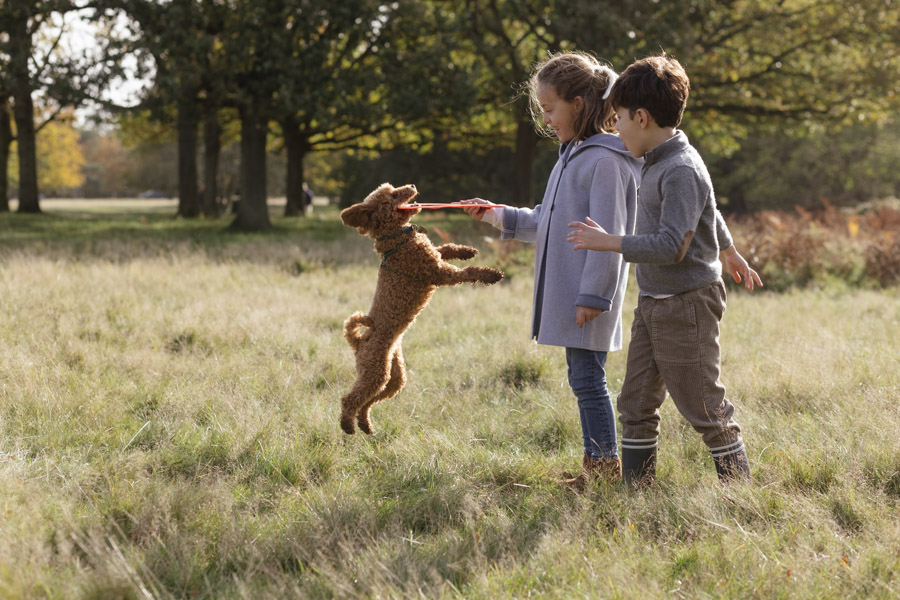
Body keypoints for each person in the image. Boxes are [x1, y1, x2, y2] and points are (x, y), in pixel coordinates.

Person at [567, 54, 763, 486]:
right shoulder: (658, 159)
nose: (614, 129)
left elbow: (674, 244)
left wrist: (610, 242)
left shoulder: (680, 168)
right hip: (654, 301)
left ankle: (742, 492)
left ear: (641, 117)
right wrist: (728, 250)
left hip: (687, 304)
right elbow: (708, 209)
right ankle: (638, 491)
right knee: (634, 403)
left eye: (618, 119)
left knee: (703, 405)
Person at [463, 52, 643, 489]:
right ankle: (597, 465)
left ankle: (602, 472)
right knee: (582, 377)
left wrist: (594, 297)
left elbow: (610, 236)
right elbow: (549, 219)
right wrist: (497, 215)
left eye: (550, 109)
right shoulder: (573, 156)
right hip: (577, 295)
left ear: (578, 104)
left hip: (588, 297)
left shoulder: (605, 162)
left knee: (587, 379)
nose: (545, 119)